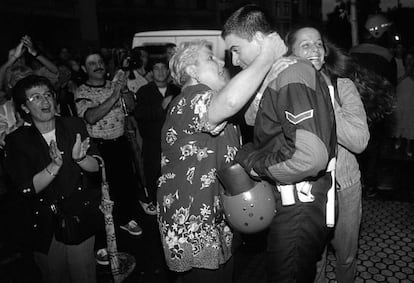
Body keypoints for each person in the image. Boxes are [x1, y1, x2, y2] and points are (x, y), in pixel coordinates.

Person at [157, 35, 286, 282]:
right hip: (192, 220)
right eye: (209, 58)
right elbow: (229, 100)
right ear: (191, 70)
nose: (220, 62)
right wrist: (266, 55)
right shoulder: (190, 98)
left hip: (215, 215)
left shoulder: (210, 99)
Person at [222, 5, 337, 282]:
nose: (234, 60)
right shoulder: (279, 73)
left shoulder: (292, 74)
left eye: (236, 49)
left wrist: (253, 162)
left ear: (260, 40)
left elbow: (310, 158)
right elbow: (255, 119)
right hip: (290, 201)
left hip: (298, 203)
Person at [285, 26, 370, 283]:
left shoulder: (343, 87)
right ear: (291, 54)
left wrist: (324, 96)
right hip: (307, 190)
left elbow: (359, 141)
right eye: (306, 45)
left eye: (319, 44)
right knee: (314, 260)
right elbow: (255, 121)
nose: (315, 49)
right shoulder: (285, 90)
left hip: (344, 185)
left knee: (345, 256)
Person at [5, 75, 102, 283]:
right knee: (54, 275)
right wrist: (54, 166)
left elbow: (97, 168)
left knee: (83, 273)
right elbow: (26, 189)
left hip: (79, 216)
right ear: (24, 108)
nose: (45, 101)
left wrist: (82, 159)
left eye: (48, 94)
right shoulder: (17, 140)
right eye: (36, 97)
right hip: (43, 224)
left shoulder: (74, 125)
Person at [74, 51, 144, 236]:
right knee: (102, 188)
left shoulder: (114, 85)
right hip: (98, 147)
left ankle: (125, 219)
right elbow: (90, 117)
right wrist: (114, 96)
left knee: (125, 184)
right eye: (91, 63)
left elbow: (131, 107)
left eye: (100, 62)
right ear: (84, 68)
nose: (98, 66)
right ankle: (103, 232)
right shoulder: (82, 91)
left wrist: (125, 90)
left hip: (120, 142)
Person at [350, 14, 397, 196]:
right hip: (376, 112)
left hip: (352, 108)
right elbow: (392, 88)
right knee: (374, 148)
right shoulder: (386, 57)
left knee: (355, 147)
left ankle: (356, 182)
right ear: (379, 33)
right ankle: (369, 184)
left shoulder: (352, 52)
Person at [134, 57, 180, 214]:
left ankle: (174, 204)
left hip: (175, 143)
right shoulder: (144, 91)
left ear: (168, 71)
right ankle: (156, 204)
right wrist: (160, 107)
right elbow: (139, 114)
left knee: (174, 174)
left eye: (163, 68)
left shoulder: (176, 90)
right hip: (152, 143)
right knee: (153, 174)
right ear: (151, 72)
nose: (160, 71)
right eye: (156, 68)